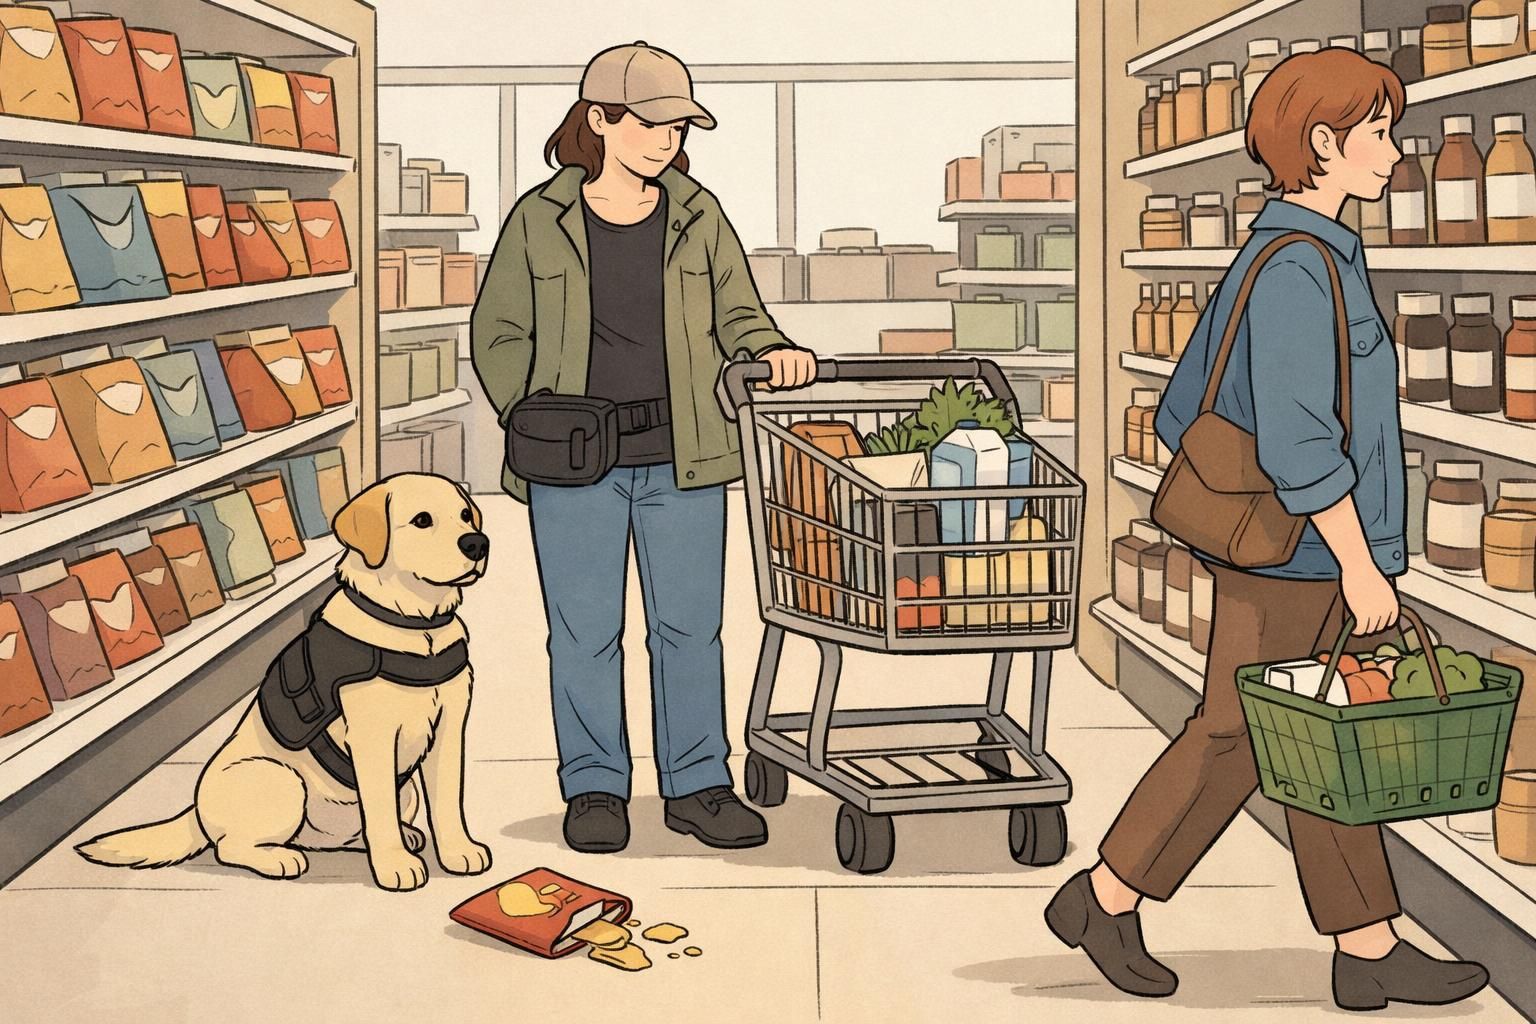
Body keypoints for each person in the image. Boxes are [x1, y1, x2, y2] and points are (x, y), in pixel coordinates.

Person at [1044, 48, 1490, 1012]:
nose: (1394, 152)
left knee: (1321, 738)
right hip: (1296, 553)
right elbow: (1298, 445)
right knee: (1238, 733)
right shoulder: (1297, 269)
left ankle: (1364, 947)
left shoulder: (1316, 251)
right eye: (1379, 132)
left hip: (1305, 550)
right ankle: (1106, 894)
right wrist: (1361, 567)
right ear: (1324, 144)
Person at [471, 42, 816, 855]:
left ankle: (697, 784)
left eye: (679, 124)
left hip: (686, 455)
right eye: (650, 122)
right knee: (585, 633)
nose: (666, 139)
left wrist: (776, 351)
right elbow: (497, 333)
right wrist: (537, 418)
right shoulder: (539, 218)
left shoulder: (698, 214)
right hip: (573, 467)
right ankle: (594, 787)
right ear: (600, 121)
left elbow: (741, 315)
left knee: (690, 629)